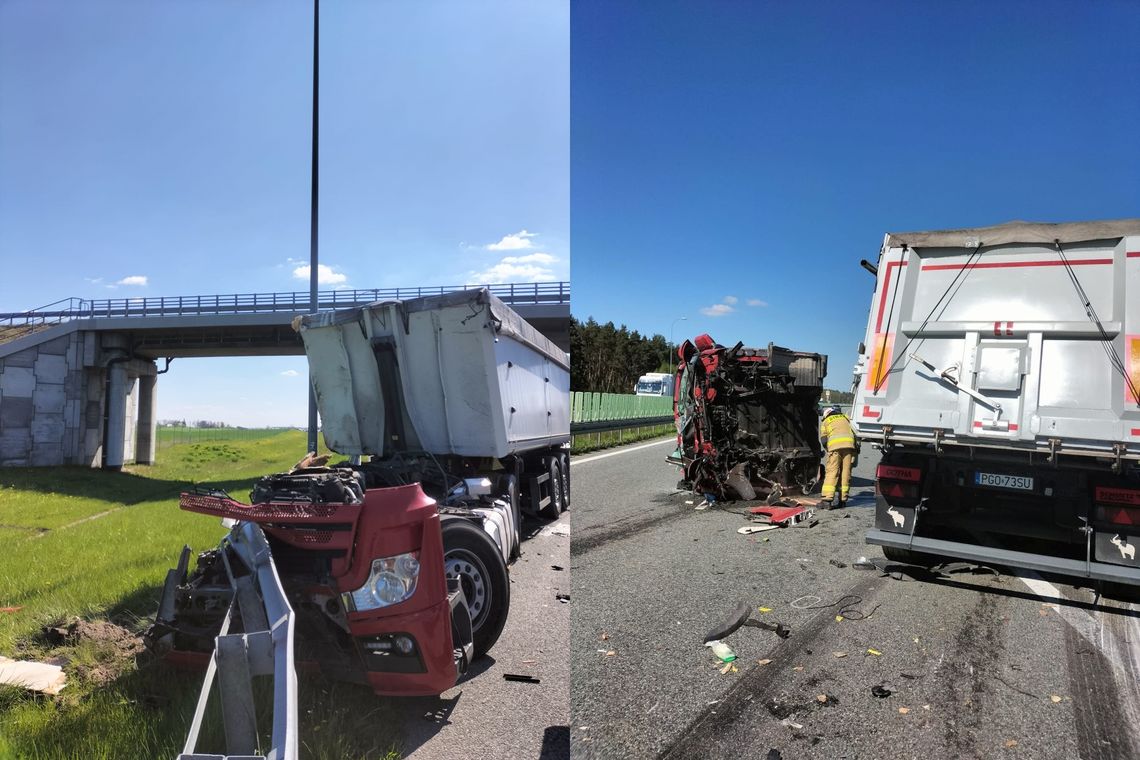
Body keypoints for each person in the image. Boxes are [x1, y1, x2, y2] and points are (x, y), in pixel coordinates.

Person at [819, 406, 857, 508]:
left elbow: (824, 440)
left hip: (835, 449)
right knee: (846, 472)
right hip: (849, 447)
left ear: (826, 414)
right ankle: (843, 500)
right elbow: (856, 432)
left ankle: (827, 500)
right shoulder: (846, 418)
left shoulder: (826, 421)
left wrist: (828, 450)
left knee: (832, 471)